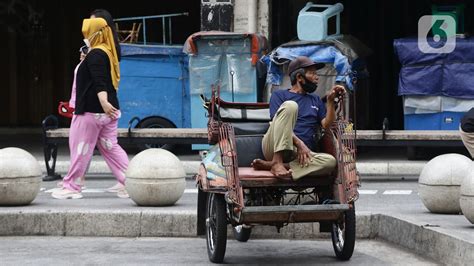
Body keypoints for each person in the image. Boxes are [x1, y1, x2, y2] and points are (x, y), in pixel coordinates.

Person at [52, 16, 128, 199]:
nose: (86, 36)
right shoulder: (107, 51)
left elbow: (99, 80)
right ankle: (133, 180)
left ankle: (71, 187)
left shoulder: (96, 55)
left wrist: (102, 101)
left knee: (80, 147)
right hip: (108, 112)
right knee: (111, 148)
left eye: (88, 32)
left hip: (92, 110)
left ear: (97, 33)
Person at [251, 56, 344, 180]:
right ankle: (277, 161)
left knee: (330, 162)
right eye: (312, 73)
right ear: (300, 78)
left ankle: (277, 165)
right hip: (273, 147)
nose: (317, 77)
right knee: (291, 105)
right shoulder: (279, 95)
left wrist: (331, 102)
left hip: (300, 155)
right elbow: (276, 123)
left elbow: (326, 124)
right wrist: (300, 143)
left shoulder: (315, 99)